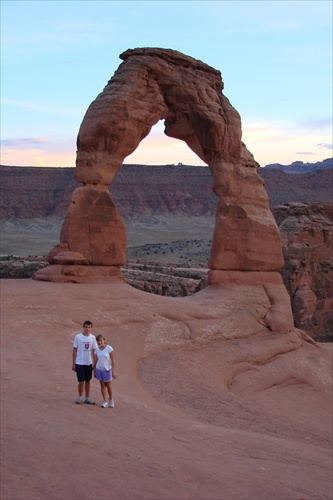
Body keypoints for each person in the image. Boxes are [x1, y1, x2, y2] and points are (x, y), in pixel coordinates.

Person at [72, 320, 97, 404]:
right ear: (83, 327)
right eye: (86, 327)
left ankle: (87, 397)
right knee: (81, 381)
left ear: (91, 328)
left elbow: (94, 351)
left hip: (88, 362)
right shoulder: (78, 337)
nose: (87, 329)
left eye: (89, 327)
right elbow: (75, 350)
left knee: (88, 380)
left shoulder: (92, 338)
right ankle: (80, 396)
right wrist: (73, 363)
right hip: (79, 362)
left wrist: (95, 362)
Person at [94, 334, 117, 408]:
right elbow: (96, 360)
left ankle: (111, 399)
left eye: (101, 340)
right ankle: (105, 401)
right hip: (99, 369)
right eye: (98, 341)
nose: (99, 342)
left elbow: (113, 360)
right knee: (102, 385)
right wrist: (94, 370)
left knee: (108, 385)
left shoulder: (109, 348)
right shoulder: (97, 350)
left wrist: (113, 371)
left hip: (107, 369)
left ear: (104, 340)